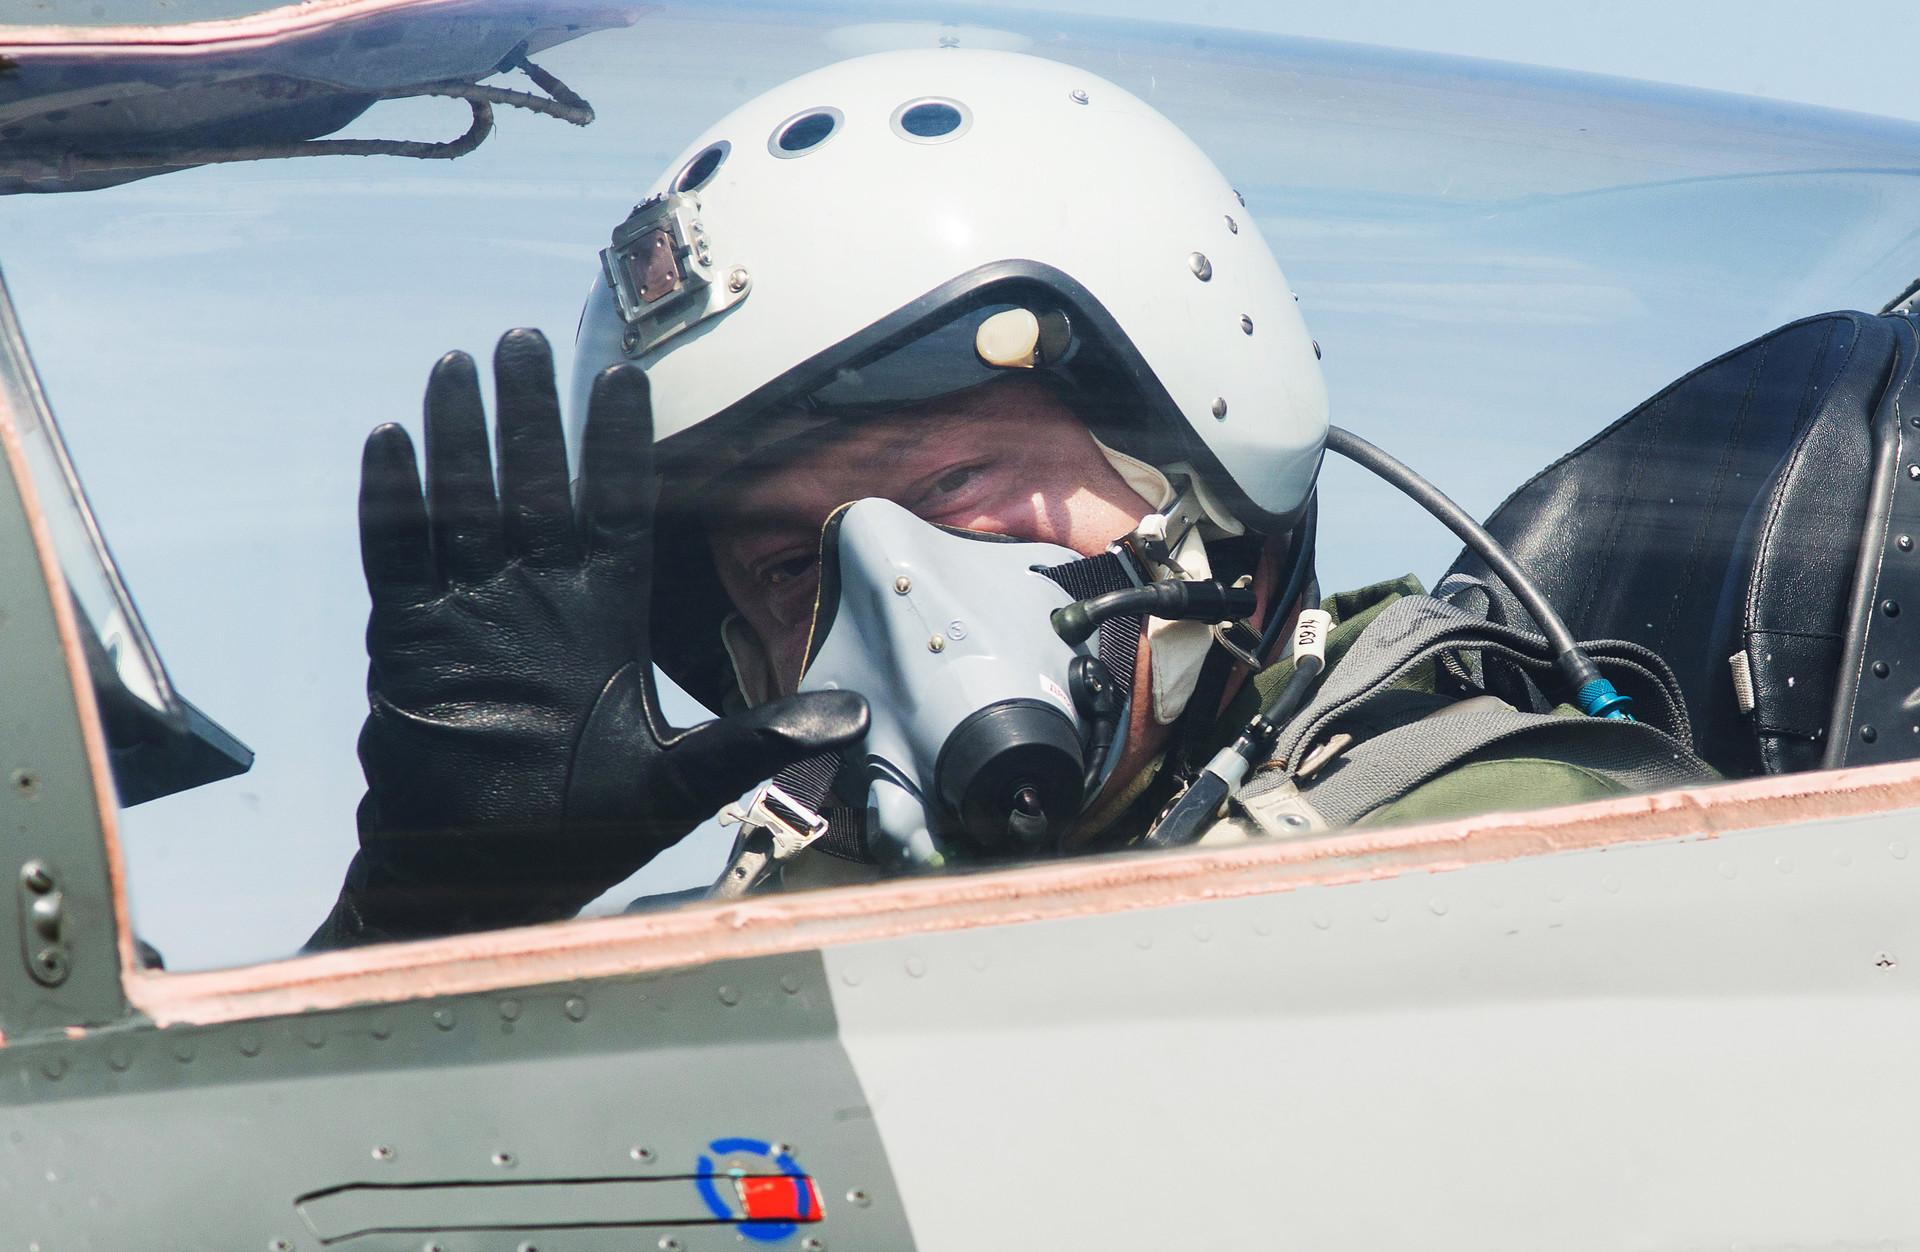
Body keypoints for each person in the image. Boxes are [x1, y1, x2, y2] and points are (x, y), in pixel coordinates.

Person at [308, 49, 1715, 949]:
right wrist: (425, 932)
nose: (897, 594)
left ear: (1196, 461)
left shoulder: (1523, 864)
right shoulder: (755, 966)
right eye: (790, 569)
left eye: (957, 481)